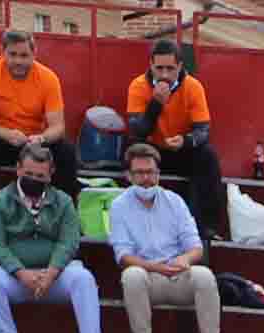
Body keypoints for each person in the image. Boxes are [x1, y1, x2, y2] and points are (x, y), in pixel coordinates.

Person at [0, 140, 103, 333]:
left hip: (55, 277)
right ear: (18, 169)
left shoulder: (63, 201)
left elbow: (69, 241)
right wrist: (20, 272)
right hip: (17, 278)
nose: (34, 180)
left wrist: (52, 272)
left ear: (51, 174)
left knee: (83, 278)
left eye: (40, 177)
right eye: (29, 174)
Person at [85, 36, 224, 231]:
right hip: (151, 149)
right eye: (159, 69)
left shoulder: (193, 87)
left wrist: (185, 141)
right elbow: (137, 131)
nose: (164, 75)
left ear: (180, 66)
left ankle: (206, 227)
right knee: (131, 148)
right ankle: (131, 219)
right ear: (151, 65)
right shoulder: (138, 86)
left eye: (170, 69)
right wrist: (156, 103)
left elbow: (203, 130)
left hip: (180, 150)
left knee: (208, 156)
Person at [110, 146, 219, 333]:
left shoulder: (175, 201)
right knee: (132, 276)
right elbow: (123, 256)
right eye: (139, 173)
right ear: (128, 176)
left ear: (158, 173)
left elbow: (196, 247)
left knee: (204, 276)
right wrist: (154, 267)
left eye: (150, 172)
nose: (146, 178)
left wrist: (185, 260)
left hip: (177, 275)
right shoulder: (118, 206)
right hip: (147, 278)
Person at [0, 26, 67, 223]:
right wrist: (6, 134)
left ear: (34, 54)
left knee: (66, 152)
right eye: (12, 54)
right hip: (3, 140)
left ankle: (63, 216)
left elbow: (58, 126)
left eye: (24, 55)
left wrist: (42, 138)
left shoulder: (48, 78)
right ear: (2, 51)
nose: (18, 61)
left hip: (35, 143)